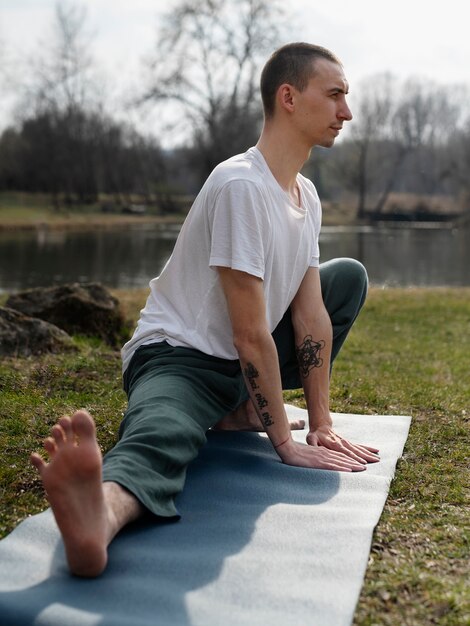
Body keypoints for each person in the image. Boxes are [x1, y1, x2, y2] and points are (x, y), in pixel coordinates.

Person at [30, 42, 380, 578]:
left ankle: (234, 411)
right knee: (163, 431)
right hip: (180, 359)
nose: (346, 112)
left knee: (345, 279)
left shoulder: (305, 195)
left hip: (241, 366)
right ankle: (97, 516)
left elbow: (310, 317)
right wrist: (284, 443)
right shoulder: (241, 184)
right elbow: (247, 334)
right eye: (334, 96)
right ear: (288, 97)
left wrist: (322, 425)